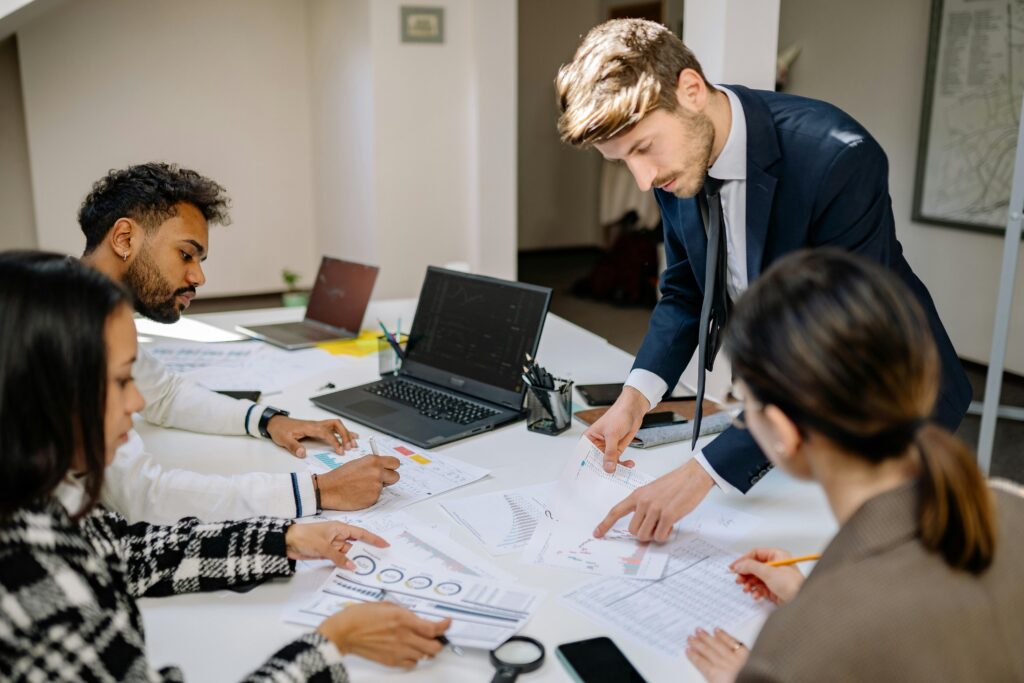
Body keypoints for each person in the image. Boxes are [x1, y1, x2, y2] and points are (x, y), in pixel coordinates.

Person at [555, 19, 972, 542]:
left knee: (867, 573)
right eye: (623, 163)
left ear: (690, 90)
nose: (642, 180)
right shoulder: (674, 159)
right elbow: (687, 292)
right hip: (789, 423)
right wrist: (632, 401)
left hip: (886, 404)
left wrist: (703, 473)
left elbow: (837, 347)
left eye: (642, 148)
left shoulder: (837, 156)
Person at [0, 252, 450, 681]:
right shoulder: (33, 580)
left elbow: (126, 553)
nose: (137, 402)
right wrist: (333, 643)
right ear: (40, 392)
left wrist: (281, 538)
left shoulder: (41, 495)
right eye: (120, 381)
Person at [679, 250, 1024, 683]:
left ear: (782, 430)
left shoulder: (795, 651)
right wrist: (814, 596)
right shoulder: (1010, 503)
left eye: (741, 402)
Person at [77, 162, 400, 524]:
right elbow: (142, 496)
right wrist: (319, 490)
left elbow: (163, 394)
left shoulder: (93, 307)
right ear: (124, 238)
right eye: (186, 254)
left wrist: (267, 421)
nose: (198, 276)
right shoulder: (70, 331)